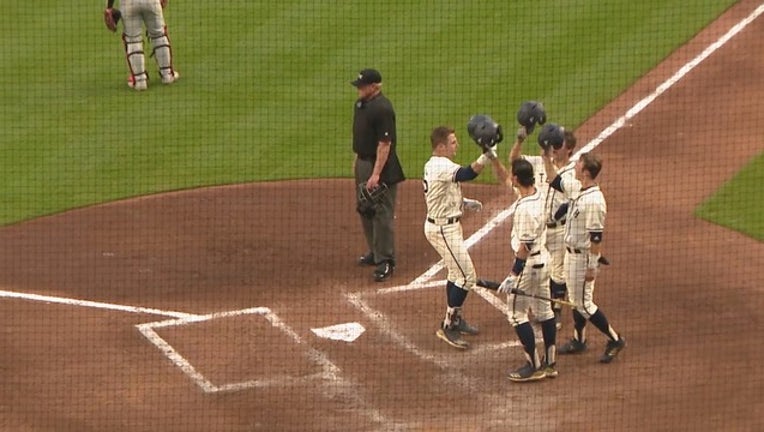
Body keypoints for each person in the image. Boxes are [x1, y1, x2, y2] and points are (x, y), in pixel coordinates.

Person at [424, 126, 505, 349]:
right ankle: (448, 326)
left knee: (454, 273)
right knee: (467, 277)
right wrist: (487, 155)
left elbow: (444, 191)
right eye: (452, 142)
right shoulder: (441, 165)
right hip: (442, 230)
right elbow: (468, 173)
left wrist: (463, 202)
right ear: (440, 147)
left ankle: (455, 319)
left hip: (448, 225)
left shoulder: (435, 164)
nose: (456, 145)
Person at [551, 152, 626, 363]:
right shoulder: (580, 189)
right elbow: (555, 181)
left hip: (582, 260)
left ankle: (615, 339)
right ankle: (579, 339)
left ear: (585, 171)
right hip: (572, 255)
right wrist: (547, 156)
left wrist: (592, 266)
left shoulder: (594, 201)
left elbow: (595, 237)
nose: (574, 166)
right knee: (576, 300)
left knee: (583, 303)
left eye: (578, 164)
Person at [510, 123, 578, 329]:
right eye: (554, 146)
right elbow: (514, 161)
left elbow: (574, 198)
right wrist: (520, 140)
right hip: (539, 229)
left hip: (558, 229)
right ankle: (539, 303)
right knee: (539, 266)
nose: (555, 150)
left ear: (568, 149)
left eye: (558, 146)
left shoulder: (572, 171)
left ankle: (555, 310)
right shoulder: (539, 162)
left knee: (558, 273)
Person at [496, 158, 558, 382]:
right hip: (545, 262)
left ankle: (534, 366)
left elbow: (525, 246)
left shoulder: (524, 210)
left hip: (529, 265)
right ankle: (551, 363)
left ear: (516, 179)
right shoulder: (539, 194)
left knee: (516, 314)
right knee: (545, 312)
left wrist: (513, 274)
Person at [351, 68, 405, 282]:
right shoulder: (361, 105)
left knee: (381, 213)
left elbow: (385, 144)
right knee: (365, 208)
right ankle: (375, 252)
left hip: (380, 167)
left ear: (375, 87)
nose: (359, 89)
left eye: (363, 85)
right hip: (364, 162)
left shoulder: (382, 108)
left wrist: (375, 174)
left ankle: (386, 261)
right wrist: (357, 161)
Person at [103, 0, 179, 91]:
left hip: (128, 4)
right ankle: (167, 75)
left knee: (133, 40)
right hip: (151, 2)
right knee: (159, 35)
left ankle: (140, 81)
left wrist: (109, 7)